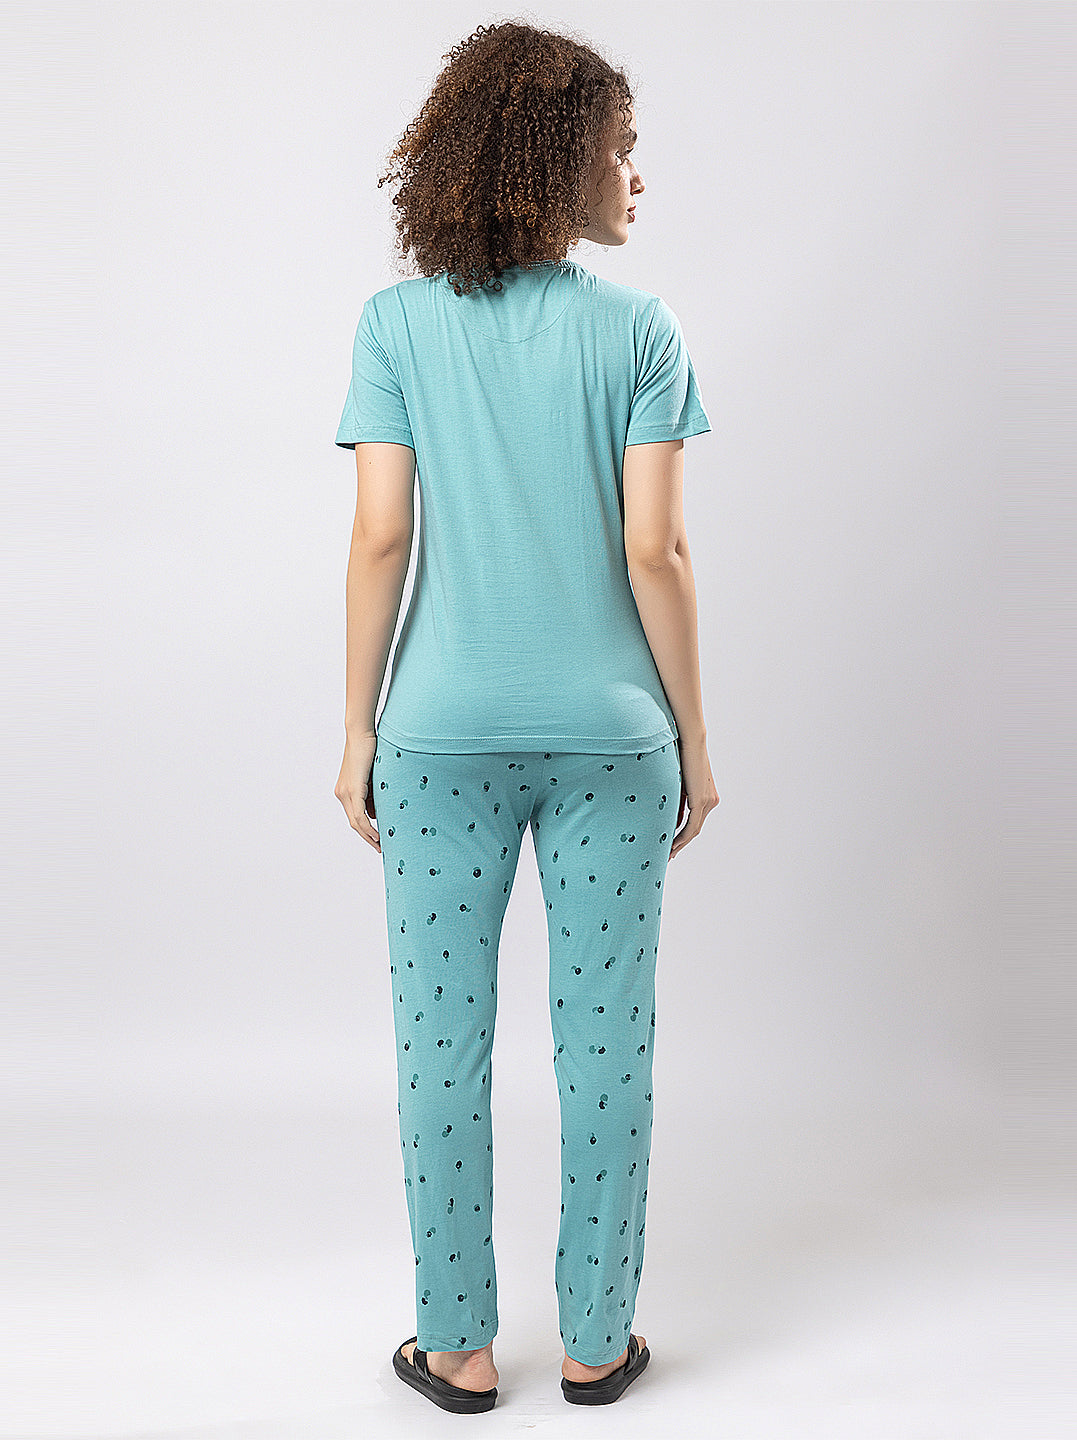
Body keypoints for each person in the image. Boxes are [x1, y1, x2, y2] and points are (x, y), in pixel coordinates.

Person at [333, 20, 719, 1414]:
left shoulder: (396, 325)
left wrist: (359, 730)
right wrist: (695, 741)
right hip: (615, 740)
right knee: (607, 1043)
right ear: (555, 163)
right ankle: (599, 1343)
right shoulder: (644, 331)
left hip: (438, 739)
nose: (636, 176)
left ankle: (456, 1345)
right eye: (620, 150)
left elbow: (382, 539)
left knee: (442, 1046)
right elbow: (655, 553)